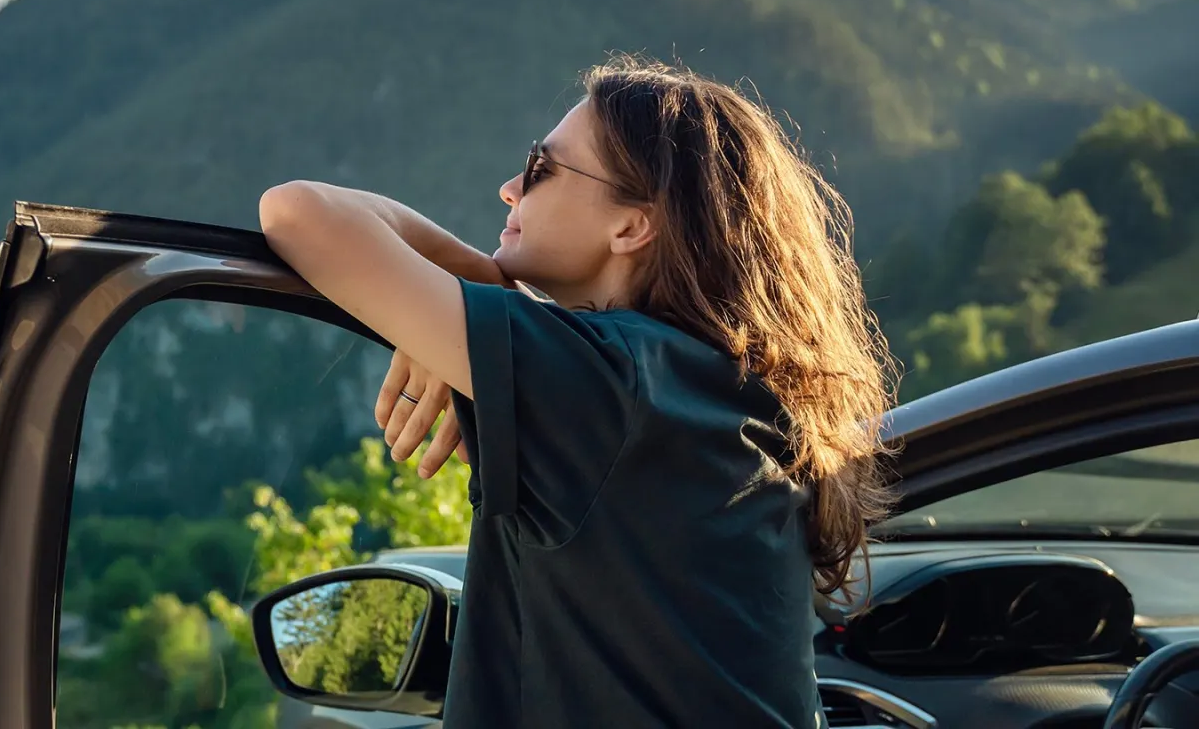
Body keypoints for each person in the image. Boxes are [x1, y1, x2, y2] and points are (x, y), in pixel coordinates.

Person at [258, 58, 895, 728]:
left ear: (631, 226)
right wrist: (478, 303)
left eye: (540, 169)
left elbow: (298, 213)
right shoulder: (720, 391)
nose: (510, 189)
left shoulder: (611, 383)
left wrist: (477, 285)